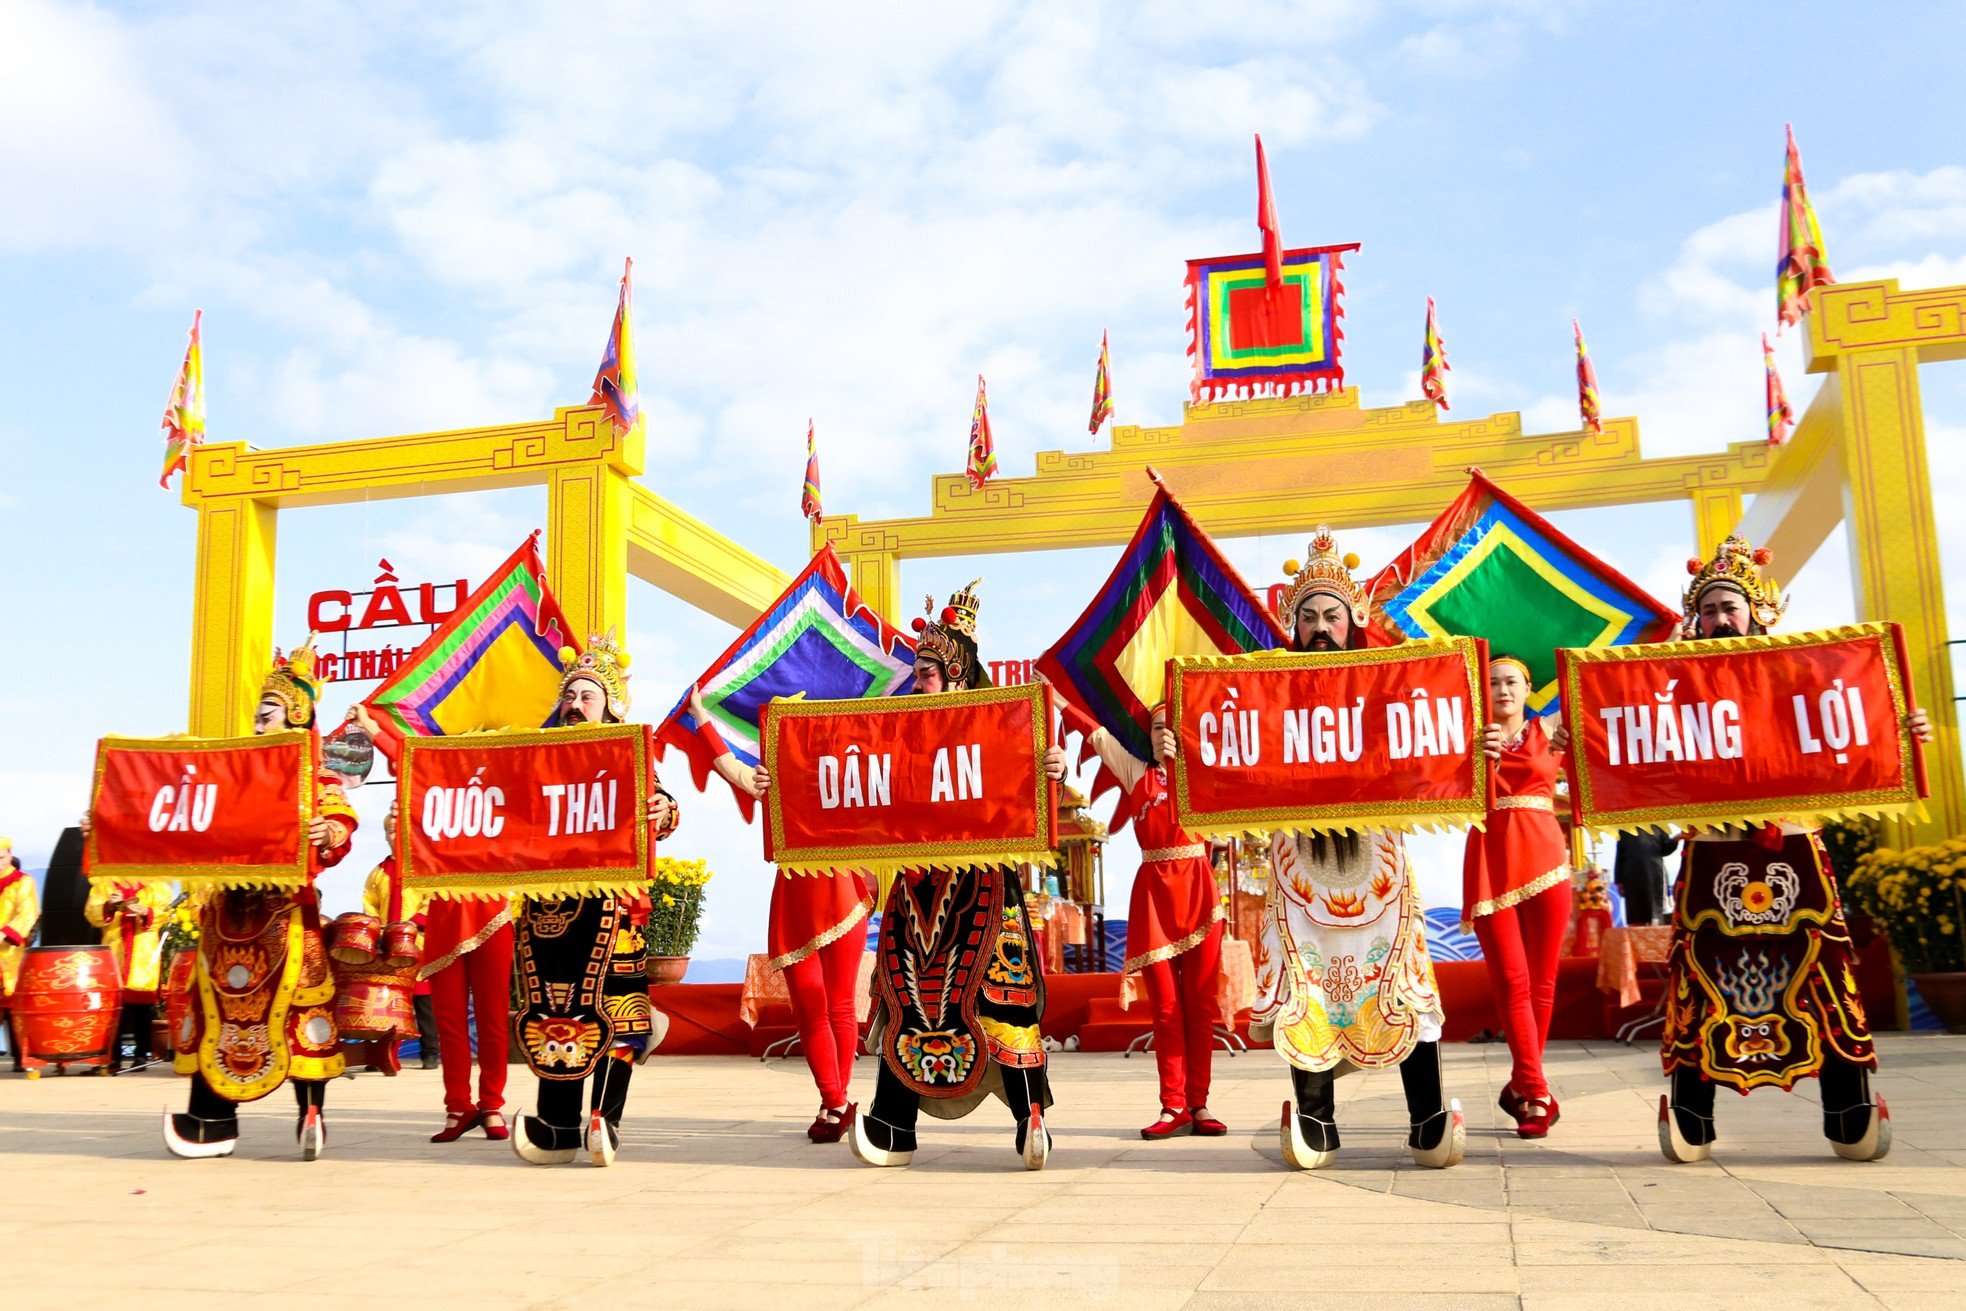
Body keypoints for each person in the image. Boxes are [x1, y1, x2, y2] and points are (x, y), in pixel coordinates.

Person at [1659, 536, 1933, 1164]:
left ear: (1759, 613)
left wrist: (1902, 728)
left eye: (1731, 607)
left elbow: (1855, 724)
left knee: (1822, 971)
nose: (1720, 619)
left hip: (1794, 846)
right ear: (1693, 620)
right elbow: (1627, 737)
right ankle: (1692, 1112)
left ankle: (1848, 1108)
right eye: (1709, 609)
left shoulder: (1804, 674)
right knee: (1702, 973)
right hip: (1710, 848)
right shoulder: (1665, 686)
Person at [1247, 528, 1462, 1170]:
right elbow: (1234, 754)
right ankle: (1316, 1122)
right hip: (1296, 867)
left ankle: (1427, 1118)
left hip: (1380, 867)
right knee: (1302, 991)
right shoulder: (1269, 693)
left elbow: (1427, 743)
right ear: (1294, 624)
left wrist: (1465, 752)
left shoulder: (1385, 689)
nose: (1319, 626)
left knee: (1404, 984)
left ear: (1351, 623)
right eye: (1308, 615)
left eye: (1331, 615)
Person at [843, 583, 1070, 1170]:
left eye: (928, 670)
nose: (918, 679)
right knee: (904, 999)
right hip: (915, 890)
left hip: (986, 888)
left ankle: (1030, 1120)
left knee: (1002, 1000)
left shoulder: (1003, 733)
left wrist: (1050, 767)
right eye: (916, 669)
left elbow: (1037, 796)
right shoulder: (896, 737)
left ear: (959, 676)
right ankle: (892, 1125)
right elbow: (854, 784)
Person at [146, 637, 360, 1159]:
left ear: (296, 715)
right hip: (226, 915)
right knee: (216, 1005)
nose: (259, 722)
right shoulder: (230, 770)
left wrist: (329, 833)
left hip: (284, 914)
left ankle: (310, 1112)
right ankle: (211, 1119)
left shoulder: (315, 773)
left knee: (298, 1007)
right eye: (258, 714)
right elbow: (184, 815)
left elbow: (340, 815)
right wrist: (117, 824)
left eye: (269, 713)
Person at [510, 630, 680, 1168]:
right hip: (548, 911)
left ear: (609, 707)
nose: (576, 704)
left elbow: (666, 807)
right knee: (554, 1008)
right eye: (571, 695)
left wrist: (662, 809)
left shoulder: (627, 752)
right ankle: (557, 1126)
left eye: (588, 696)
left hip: (612, 909)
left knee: (619, 1015)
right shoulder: (536, 757)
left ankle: (605, 1118)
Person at [691, 685, 872, 1144]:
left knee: (840, 1004)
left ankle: (836, 1100)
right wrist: (699, 714)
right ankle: (834, 1100)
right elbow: (727, 765)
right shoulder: (770, 780)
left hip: (843, 890)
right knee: (810, 1006)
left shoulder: (848, 775)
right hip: (794, 896)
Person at [1085, 707, 1227, 1140]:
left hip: (1200, 890)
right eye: (1157, 727)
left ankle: (1199, 1104)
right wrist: (1050, 685)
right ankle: (1173, 1106)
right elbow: (1092, 726)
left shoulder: (1202, 772)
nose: (1164, 734)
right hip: (1154, 894)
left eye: (1172, 727)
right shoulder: (1134, 771)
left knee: (1200, 1007)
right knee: (1165, 1009)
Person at [1467, 656, 1573, 1139]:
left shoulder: (1552, 730)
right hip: (1490, 855)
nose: (1502, 690)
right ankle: (1533, 1090)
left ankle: (1526, 1087)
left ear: (1529, 688)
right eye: (1492, 683)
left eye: (1511, 682)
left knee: (1542, 982)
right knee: (1511, 980)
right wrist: (1469, 756)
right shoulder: (1466, 735)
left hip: (1546, 855)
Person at [402, 792, 516, 1144]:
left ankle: (492, 1105)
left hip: (494, 910)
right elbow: (402, 744)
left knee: (492, 1017)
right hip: (444, 908)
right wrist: (374, 731)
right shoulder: (436, 789)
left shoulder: (503, 790)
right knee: (449, 1020)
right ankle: (458, 1106)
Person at [85, 878, 175, 1073]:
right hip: (114, 950)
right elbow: (91, 912)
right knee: (113, 1009)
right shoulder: (105, 884)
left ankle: (141, 1055)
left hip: (143, 952)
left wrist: (146, 912)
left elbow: (166, 913)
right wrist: (108, 906)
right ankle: (111, 1057)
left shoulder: (156, 885)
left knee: (142, 1007)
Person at [0, 843, 40, 1070]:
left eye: (1, 857)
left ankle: (20, 1057)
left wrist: (5, 933)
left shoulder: (22, 881)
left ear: (9, 856)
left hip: (11, 952)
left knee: (14, 1005)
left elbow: (28, 913)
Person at [1614, 828, 1679, 926]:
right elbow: (1619, 856)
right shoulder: (1624, 828)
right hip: (1632, 875)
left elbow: (1665, 849)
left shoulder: (1658, 826)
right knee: (1636, 912)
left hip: (1654, 873)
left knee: (1655, 911)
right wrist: (1619, 881)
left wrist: (1676, 839)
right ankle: (1636, 937)